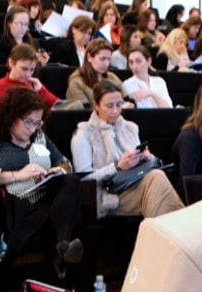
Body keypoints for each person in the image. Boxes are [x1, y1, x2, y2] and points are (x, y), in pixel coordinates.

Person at [0, 87, 82, 277]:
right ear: (11, 117)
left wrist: (55, 171)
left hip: (43, 197)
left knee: (71, 181)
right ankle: (62, 252)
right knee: (70, 211)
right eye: (29, 122)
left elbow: (66, 164)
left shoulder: (38, 135)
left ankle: (62, 245)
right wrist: (17, 175)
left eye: (38, 123)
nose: (33, 128)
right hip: (14, 202)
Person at [71, 80, 184, 218]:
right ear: (96, 105)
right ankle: (178, 229)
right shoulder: (84, 134)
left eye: (119, 105)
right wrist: (117, 167)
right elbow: (84, 179)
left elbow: (141, 165)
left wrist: (145, 157)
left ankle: (166, 231)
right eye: (109, 106)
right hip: (107, 196)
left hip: (134, 183)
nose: (115, 111)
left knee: (157, 179)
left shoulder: (129, 128)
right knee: (157, 180)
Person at [0, 44, 60, 109]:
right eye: (24, 69)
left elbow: (60, 106)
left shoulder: (34, 85)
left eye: (32, 70)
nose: (28, 74)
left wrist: (41, 90)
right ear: (11, 62)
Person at [66, 38, 125, 107]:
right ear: (89, 57)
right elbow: (84, 111)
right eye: (102, 59)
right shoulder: (76, 82)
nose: (107, 64)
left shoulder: (112, 77)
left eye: (109, 59)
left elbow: (126, 99)